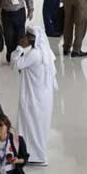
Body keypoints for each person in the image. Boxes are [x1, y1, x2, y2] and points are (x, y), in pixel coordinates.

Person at [9, 26, 57, 165]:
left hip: (32, 98)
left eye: (27, 36)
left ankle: (35, 156)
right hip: (42, 97)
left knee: (30, 126)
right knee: (37, 127)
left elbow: (15, 63)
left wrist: (19, 48)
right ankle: (34, 154)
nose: (24, 38)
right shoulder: (45, 53)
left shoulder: (35, 54)